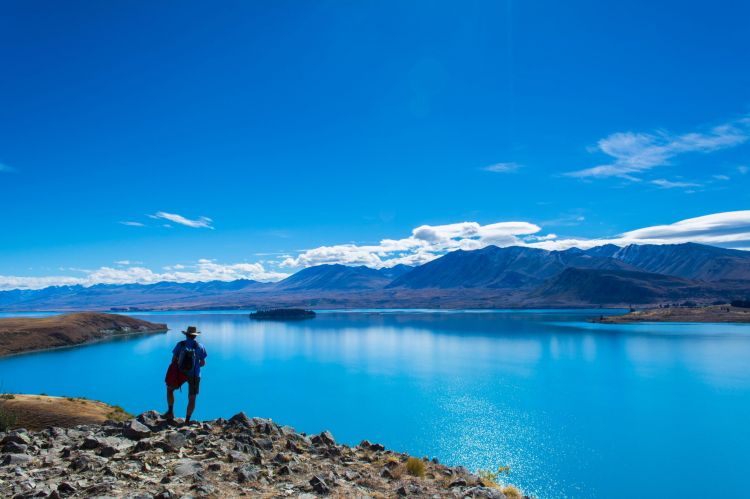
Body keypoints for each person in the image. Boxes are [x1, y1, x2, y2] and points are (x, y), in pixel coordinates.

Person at [164, 326, 207, 423]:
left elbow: (173, 360)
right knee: (192, 398)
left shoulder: (180, 344)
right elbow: (203, 363)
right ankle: (187, 421)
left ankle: (170, 412)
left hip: (181, 372)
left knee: (169, 389)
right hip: (195, 375)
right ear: (195, 336)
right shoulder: (200, 346)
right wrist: (195, 366)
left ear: (186, 335)